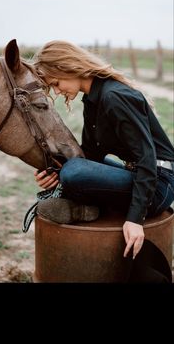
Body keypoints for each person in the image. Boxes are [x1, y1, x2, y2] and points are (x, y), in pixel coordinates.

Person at [33, 40, 174, 262]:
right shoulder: (92, 99)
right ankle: (86, 208)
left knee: (74, 172)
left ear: (68, 67)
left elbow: (147, 157)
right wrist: (56, 173)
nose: (58, 92)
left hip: (158, 184)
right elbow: (91, 154)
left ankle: (85, 205)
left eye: (57, 83)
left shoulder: (114, 97)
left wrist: (136, 219)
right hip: (137, 172)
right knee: (68, 168)